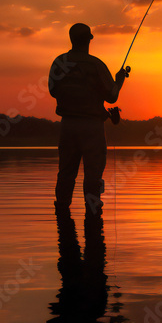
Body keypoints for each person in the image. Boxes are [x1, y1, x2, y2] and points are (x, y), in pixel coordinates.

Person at [49, 23, 129, 215]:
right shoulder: (96, 65)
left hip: (67, 126)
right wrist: (119, 80)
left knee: (66, 173)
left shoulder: (59, 62)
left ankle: (62, 213)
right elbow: (112, 96)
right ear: (89, 39)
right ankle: (93, 216)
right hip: (92, 128)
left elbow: (53, 91)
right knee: (93, 176)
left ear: (71, 39)